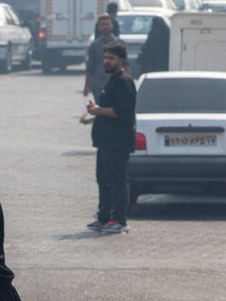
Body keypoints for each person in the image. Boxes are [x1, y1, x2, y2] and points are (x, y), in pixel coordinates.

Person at [86, 41, 136, 234]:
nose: (107, 62)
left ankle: (119, 220)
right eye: (105, 58)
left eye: (111, 58)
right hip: (105, 142)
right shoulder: (111, 80)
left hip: (118, 142)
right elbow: (107, 111)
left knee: (117, 180)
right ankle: (104, 217)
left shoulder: (124, 82)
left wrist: (99, 110)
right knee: (103, 179)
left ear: (121, 60)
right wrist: (94, 113)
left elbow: (122, 112)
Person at [84, 14, 121, 103]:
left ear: (111, 25)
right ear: (99, 27)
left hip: (117, 84)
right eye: (102, 24)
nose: (105, 26)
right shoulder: (95, 45)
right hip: (99, 85)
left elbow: (125, 64)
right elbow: (90, 67)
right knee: (101, 110)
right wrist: (86, 86)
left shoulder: (119, 43)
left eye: (107, 24)